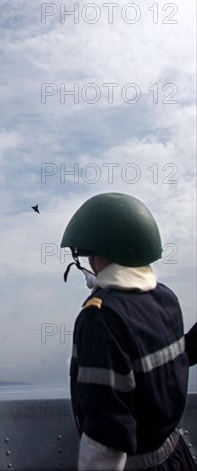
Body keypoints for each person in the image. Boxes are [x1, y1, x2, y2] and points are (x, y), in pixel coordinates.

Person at [61, 192, 196, 470]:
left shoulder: (101, 318)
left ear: (100, 255)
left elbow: (105, 438)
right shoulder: (166, 298)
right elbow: (175, 362)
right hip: (178, 457)